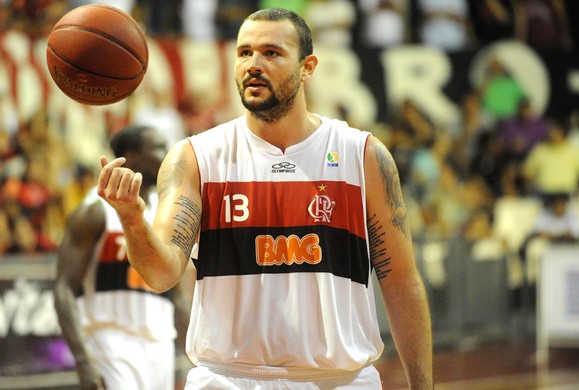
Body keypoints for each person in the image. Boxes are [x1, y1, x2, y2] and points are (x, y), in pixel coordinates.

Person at [97, 8, 433, 389]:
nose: (253, 64)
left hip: (341, 380)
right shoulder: (195, 158)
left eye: (271, 53)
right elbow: (160, 274)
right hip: (229, 380)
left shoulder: (363, 156)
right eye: (244, 53)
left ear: (307, 67)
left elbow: (402, 281)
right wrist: (132, 218)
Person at [54, 125, 191, 390]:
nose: (167, 155)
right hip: (110, 344)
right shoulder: (94, 210)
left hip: (159, 346)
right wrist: (83, 361)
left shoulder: (165, 215)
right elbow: (63, 288)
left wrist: (194, 356)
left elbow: (179, 295)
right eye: (159, 148)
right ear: (133, 157)